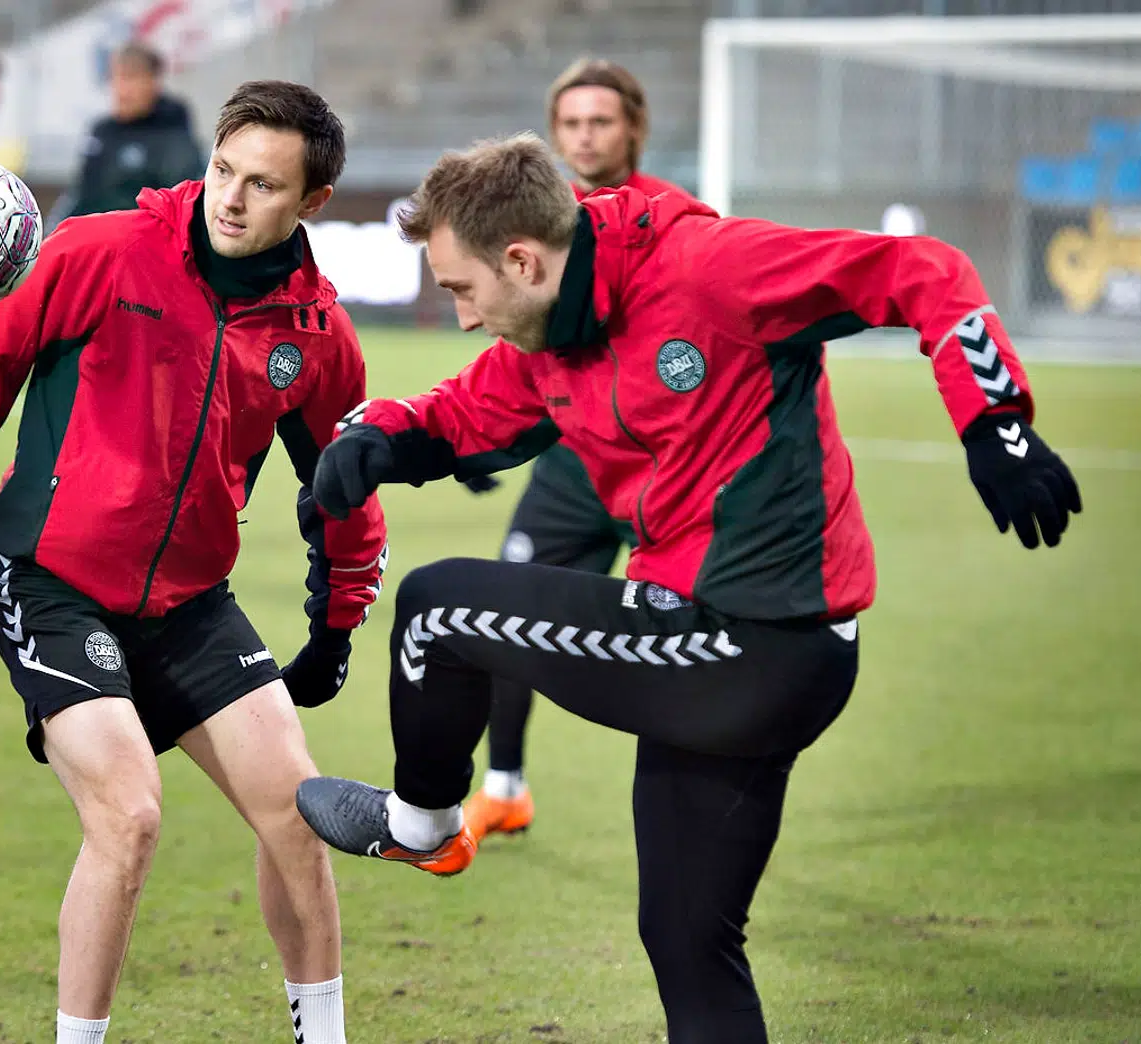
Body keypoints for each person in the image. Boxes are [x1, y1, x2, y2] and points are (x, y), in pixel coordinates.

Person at [294, 133, 1080, 1042]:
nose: (465, 317)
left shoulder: (713, 268)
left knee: (437, 612)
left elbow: (921, 268)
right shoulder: (551, 328)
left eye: (463, 290)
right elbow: (473, 412)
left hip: (761, 640)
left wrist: (997, 424)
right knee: (686, 940)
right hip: (713, 655)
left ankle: (423, 824)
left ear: (522, 259)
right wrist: (378, 440)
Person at [0, 80, 386, 1044]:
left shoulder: (317, 336)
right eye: (222, 170)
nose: (231, 198)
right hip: (48, 580)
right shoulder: (98, 250)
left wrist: (335, 623)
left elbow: (342, 486)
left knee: (298, 815)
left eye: (262, 185)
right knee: (128, 816)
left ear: (312, 203)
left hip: (191, 600)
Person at [468, 58, 687, 844]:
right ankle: (505, 787)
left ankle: (686, 805)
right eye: (571, 123)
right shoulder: (541, 228)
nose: (585, 136)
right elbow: (522, 349)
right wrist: (480, 438)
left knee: (681, 646)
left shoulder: (675, 219)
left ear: (633, 126)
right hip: (571, 471)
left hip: (664, 469)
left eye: (600, 120)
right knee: (508, 614)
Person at [47, 41, 206, 227]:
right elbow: (78, 196)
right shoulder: (101, 132)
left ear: (154, 81)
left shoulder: (173, 132)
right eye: (115, 78)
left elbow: (180, 208)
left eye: (130, 78)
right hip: (94, 242)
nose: (121, 89)